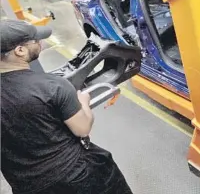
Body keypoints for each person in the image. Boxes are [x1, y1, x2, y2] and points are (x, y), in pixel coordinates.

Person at [1, 19, 132, 194]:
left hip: (26, 186)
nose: (39, 42)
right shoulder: (52, 86)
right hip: (77, 177)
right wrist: (83, 102)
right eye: (35, 40)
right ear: (20, 50)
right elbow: (82, 128)